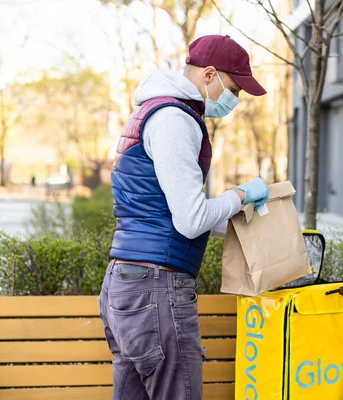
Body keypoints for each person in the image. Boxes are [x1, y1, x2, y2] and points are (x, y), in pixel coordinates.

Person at [98, 35, 269, 400]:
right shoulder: (175, 120)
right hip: (155, 290)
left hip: (126, 284)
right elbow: (190, 220)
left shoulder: (151, 111)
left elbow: (164, 208)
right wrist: (239, 195)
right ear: (210, 75)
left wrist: (246, 216)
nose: (235, 100)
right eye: (235, 89)